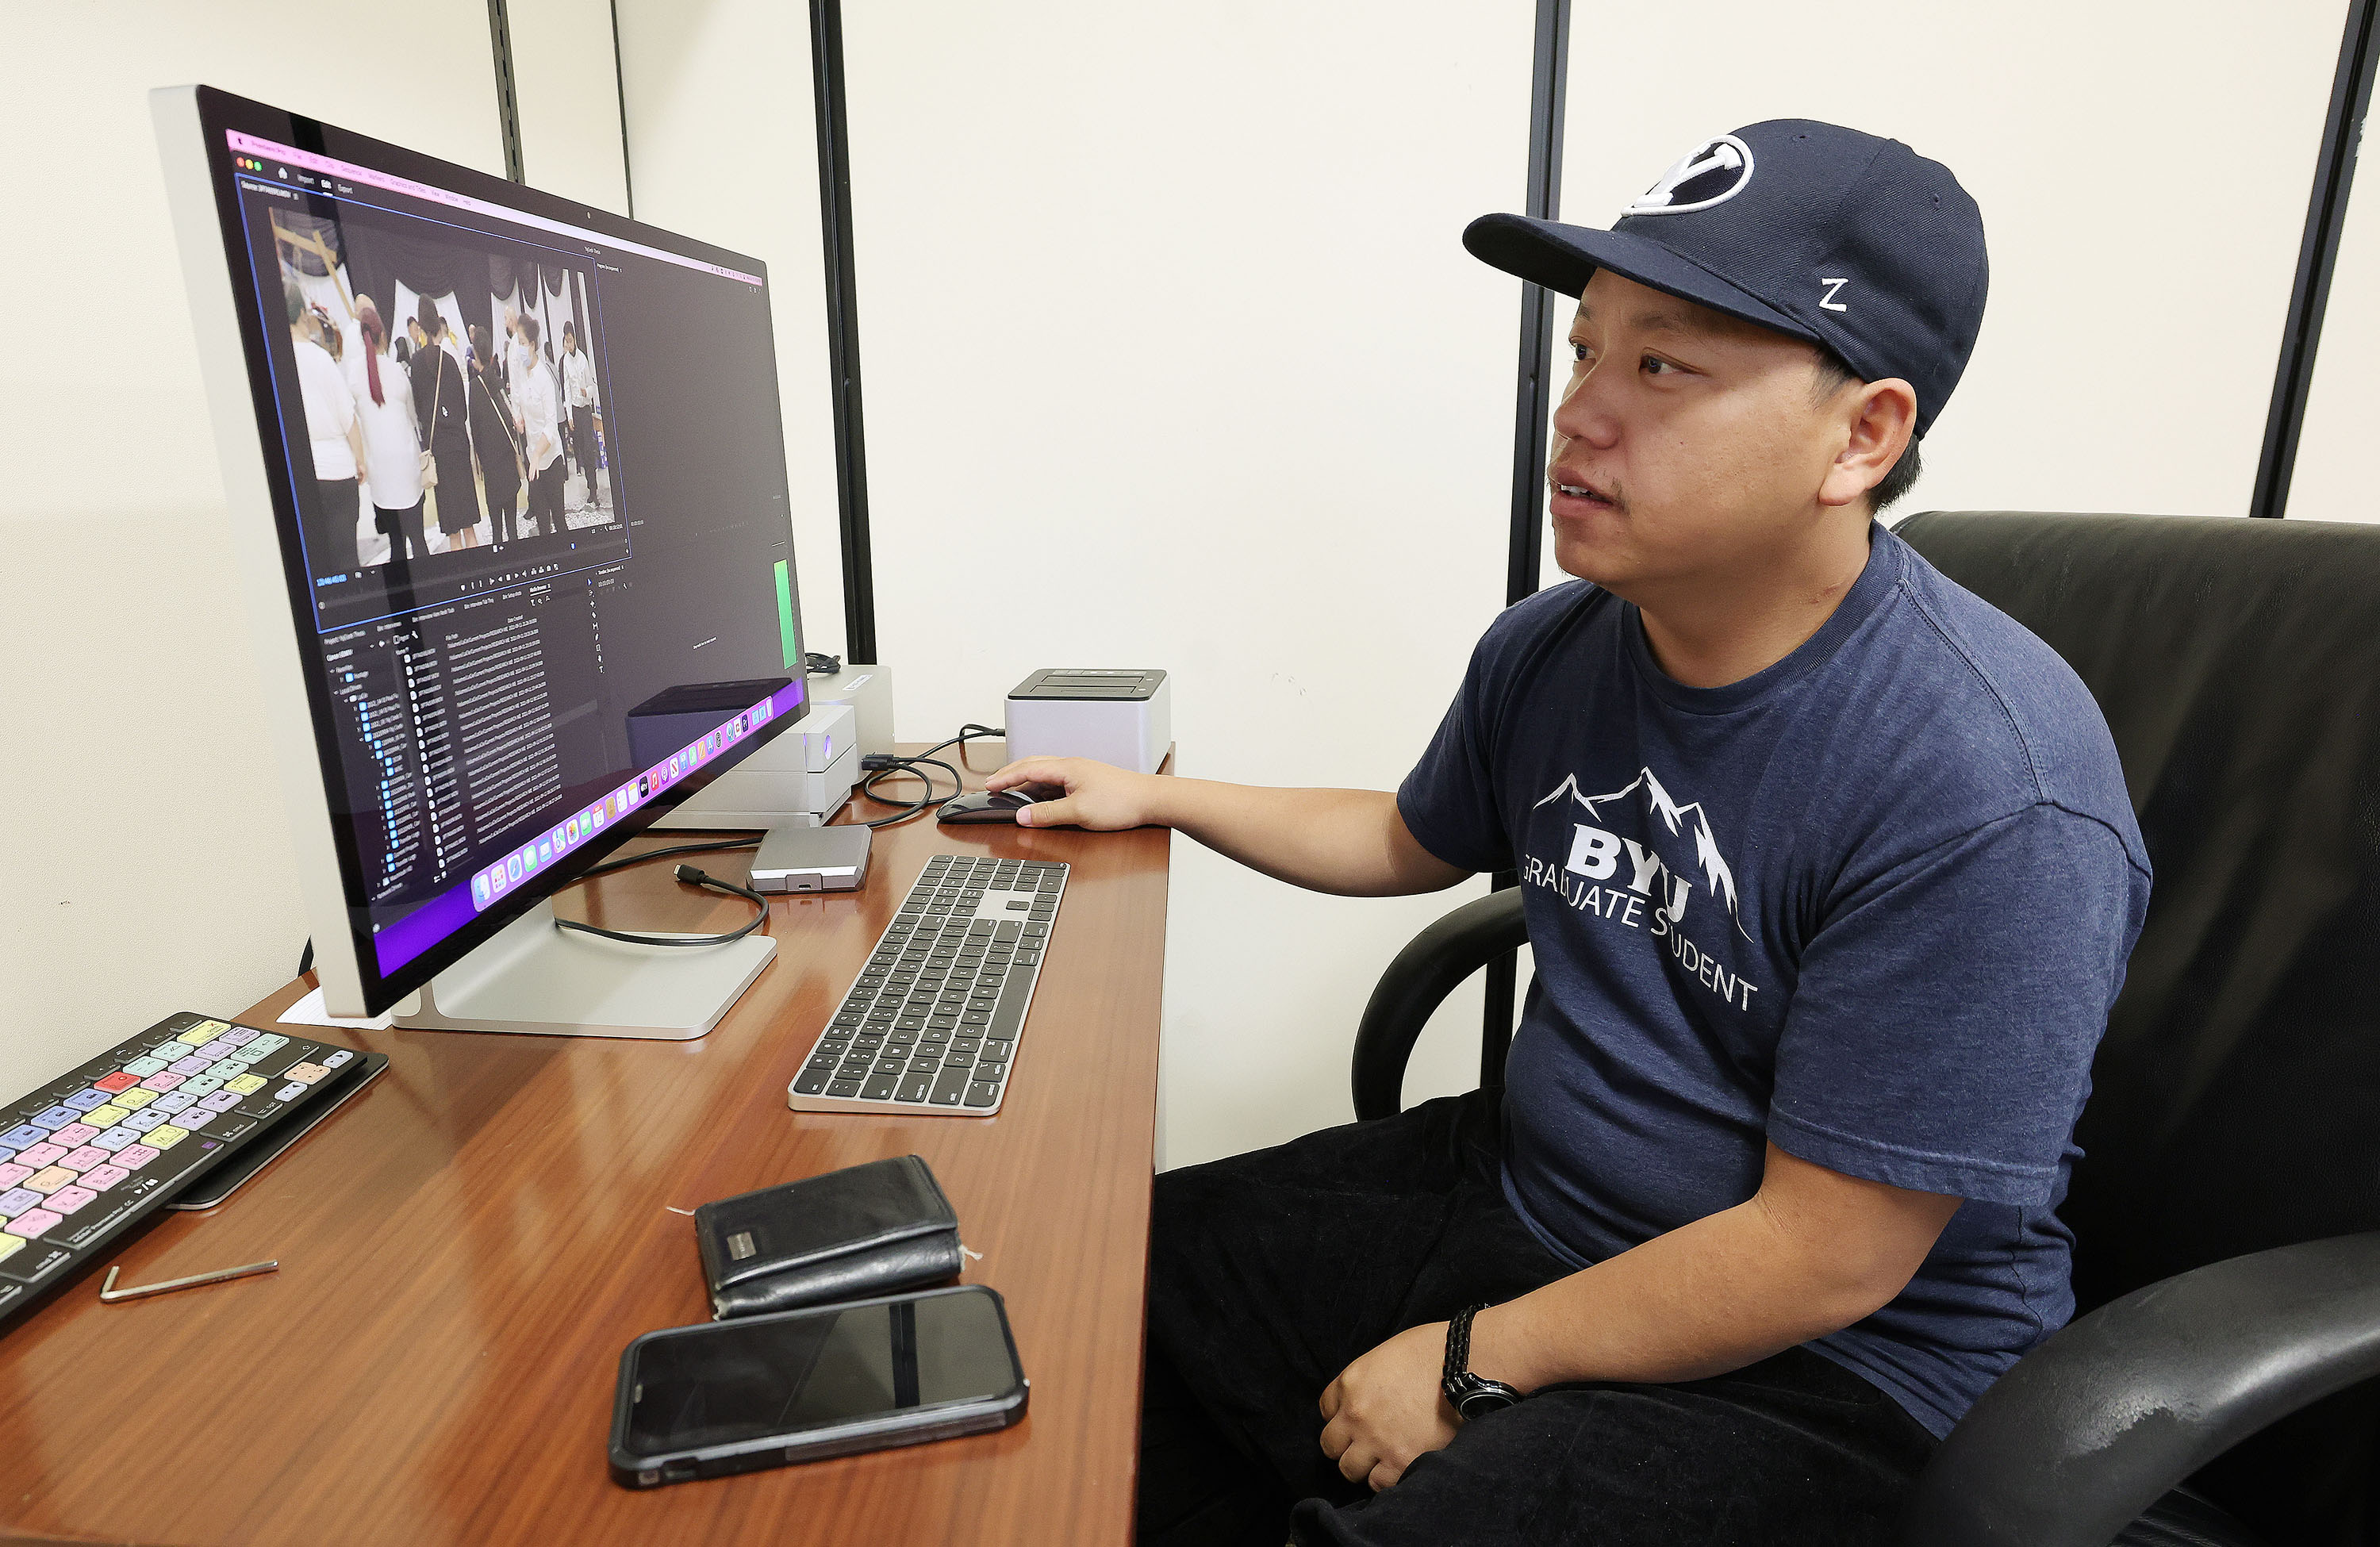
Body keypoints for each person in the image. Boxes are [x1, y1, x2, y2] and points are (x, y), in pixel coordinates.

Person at [988, 122, 2152, 1547]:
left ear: (1864, 435)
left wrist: (1475, 1360)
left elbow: (1825, 1256)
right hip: (1533, 1198)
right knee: (1083, 1293)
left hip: (1841, 1371)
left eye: (1664, 366)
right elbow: (1407, 841)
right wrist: (1163, 797)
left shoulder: (1989, 784)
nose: (1583, 412)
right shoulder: (1559, 646)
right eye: (1587, 352)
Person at [287, 281, 363, 576]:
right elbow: (348, 418)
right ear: (304, 313)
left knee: (320, 566)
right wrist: (360, 460)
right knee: (347, 560)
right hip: (337, 472)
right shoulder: (320, 358)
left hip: (305, 475)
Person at [346, 295, 426, 566]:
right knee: (419, 541)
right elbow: (414, 418)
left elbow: (350, 420)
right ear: (383, 337)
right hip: (407, 469)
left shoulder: (353, 375)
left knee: (396, 547)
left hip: (380, 475)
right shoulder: (397, 372)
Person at [409, 299, 482, 550]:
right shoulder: (450, 361)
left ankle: (464, 583)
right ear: (438, 327)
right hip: (458, 447)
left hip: (437, 450)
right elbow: (462, 409)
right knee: (470, 526)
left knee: (453, 533)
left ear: (419, 327)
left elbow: (417, 410)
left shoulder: (415, 366)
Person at [468, 324, 523, 544]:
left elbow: (475, 431)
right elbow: (510, 419)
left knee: (497, 531)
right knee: (512, 526)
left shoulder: (474, 387)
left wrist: (481, 461)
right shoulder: (499, 383)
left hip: (491, 467)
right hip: (508, 462)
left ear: (476, 355)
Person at [513, 313, 565, 537]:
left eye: (523, 344)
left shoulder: (544, 378)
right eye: (518, 343)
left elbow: (551, 427)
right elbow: (518, 401)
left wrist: (535, 456)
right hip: (532, 460)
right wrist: (519, 418)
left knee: (559, 521)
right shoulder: (521, 374)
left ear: (533, 345)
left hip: (550, 459)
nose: (520, 349)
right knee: (543, 524)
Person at [560, 321, 602, 509]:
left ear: (575, 339)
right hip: (575, 412)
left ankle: (594, 489)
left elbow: (592, 385)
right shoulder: (565, 361)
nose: (569, 345)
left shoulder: (583, 359)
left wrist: (588, 393)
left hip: (585, 410)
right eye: (566, 341)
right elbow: (566, 390)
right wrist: (568, 414)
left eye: (570, 340)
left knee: (589, 448)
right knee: (580, 452)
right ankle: (588, 484)